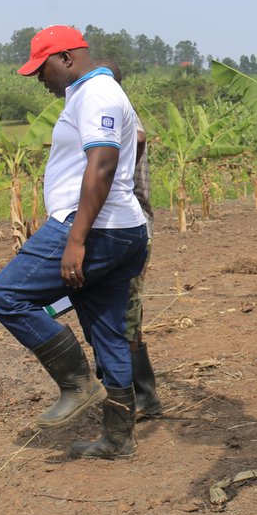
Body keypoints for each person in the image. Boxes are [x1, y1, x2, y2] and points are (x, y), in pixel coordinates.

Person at [0, 26, 148, 459]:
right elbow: (138, 141)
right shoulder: (96, 91)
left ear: (68, 60)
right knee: (110, 334)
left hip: (93, 227)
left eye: (43, 69)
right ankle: (118, 438)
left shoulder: (96, 96)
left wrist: (76, 239)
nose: (41, 80)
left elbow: (104, 163)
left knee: (5, 297)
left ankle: (77, 384)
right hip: (121, 228)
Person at [98, 61, 162, 420]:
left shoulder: (124, 120)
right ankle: (128, 392)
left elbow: (137, 141)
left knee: (126, 314)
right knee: (116, 312)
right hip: (120, 230)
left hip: (130, 232)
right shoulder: (117, 116)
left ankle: (142, 395)